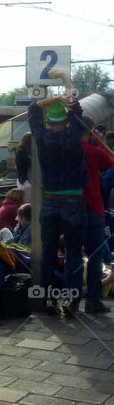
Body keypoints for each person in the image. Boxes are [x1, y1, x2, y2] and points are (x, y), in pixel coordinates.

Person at [28, 69, 87, 315]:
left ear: (48, 122)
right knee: (73, 252)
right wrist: (64, 78)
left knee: (49, 251)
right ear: (65, 119)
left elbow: (33, 108)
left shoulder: (41, 137)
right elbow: (76, 106)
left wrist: (53, 99)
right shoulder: (74, 133)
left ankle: (47, 299)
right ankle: (71, 302)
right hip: (73, 200)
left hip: (49, 202)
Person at [80, 116, 114, 314]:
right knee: (94, 257)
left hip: (71, 209)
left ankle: (71, 301)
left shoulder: (70, 150)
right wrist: (101, 141)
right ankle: (92, 301)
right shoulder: (94, 151)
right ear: (91, 131)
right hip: (93, 209)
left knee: (74, 256)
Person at [15, 132, 33, 203]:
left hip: (24, 181)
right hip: (26, 181)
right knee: (29, 203)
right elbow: (31, 163)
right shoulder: (22, 151)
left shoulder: (22, 150)